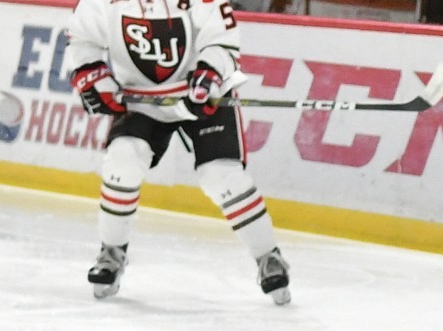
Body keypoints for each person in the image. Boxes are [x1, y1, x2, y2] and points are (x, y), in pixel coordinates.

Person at [66, 0, 291, 303]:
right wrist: (90, 73)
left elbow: (221, 40)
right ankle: (112, 252)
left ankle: (268, 256)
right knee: (123, 159)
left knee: (221, 175)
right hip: (141, 98)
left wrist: (209, 74)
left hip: (201, 94)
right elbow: (83, 39)